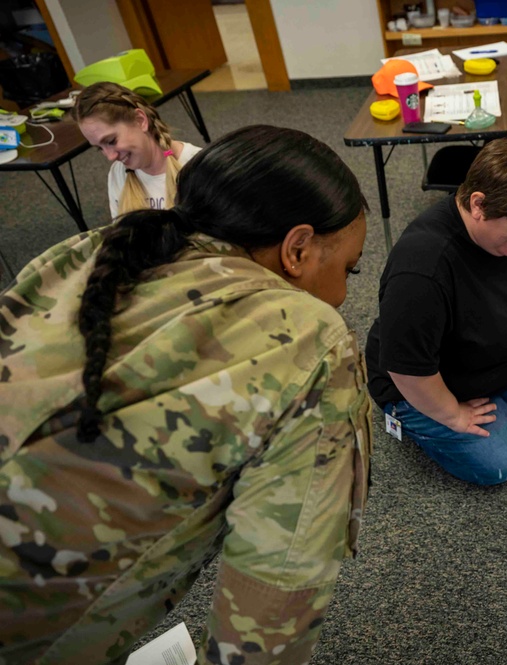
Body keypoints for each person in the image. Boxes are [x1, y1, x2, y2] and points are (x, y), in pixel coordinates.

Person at [0, 125, 372, 664]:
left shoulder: (78, 254)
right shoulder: (312, 343)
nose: (341, 292)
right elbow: (272, 604)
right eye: (348, 269)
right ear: (297, 248)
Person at [365, 138, 507, 486]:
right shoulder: (422, 271)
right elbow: (407, 369)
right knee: (502, 461)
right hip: (424, 382)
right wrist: (453, 414)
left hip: (491, 354)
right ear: (478, 204)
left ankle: (489, 396)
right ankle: (412, 419)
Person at [73, 81, 202, 218]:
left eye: (111, 141)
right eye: (100, 148)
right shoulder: (118, 173)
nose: (110, 157)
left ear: (140, 120)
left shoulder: (200, 166)